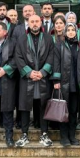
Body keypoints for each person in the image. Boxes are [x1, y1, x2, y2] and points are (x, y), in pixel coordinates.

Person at [15, 14, 54, 148]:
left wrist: (43, 72)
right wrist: (29, 72)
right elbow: (18, 57)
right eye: (32, 21)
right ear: (28, 23)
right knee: (25, 107)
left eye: (37, 21)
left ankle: (44, 134)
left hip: (43, 79)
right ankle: (24, 134)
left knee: (43, 106)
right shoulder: (22, 38)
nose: (35, 23)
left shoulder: (48, 38)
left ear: (41, 22)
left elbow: (51, 56)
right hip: (28, 78)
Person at [52, 22, 80, 147]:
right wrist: (56, 81)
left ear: (76, 32)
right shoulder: (59, 45)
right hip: (64, 83)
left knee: (74, 111)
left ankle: (72, 136)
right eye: (68, 30)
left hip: (76, 84)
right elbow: (56, 63)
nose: (70, 32)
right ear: (65, 32)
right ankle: (64, 137)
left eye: (72, 29)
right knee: (63, 111)